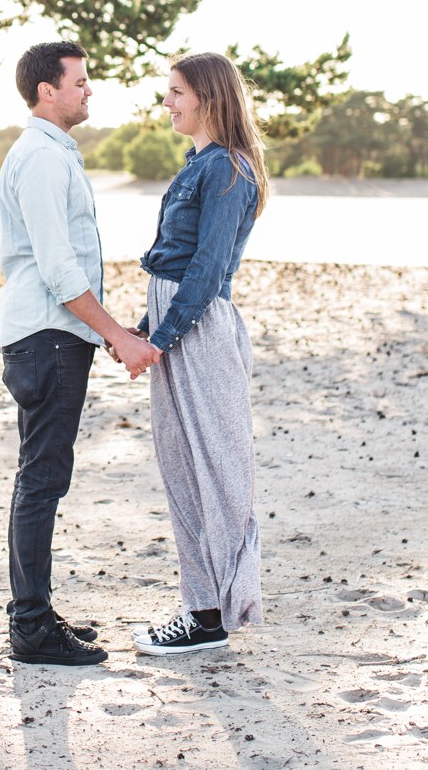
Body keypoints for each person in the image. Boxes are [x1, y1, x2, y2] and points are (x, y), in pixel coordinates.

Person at [0, 40, 164, 666]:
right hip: (48, 336)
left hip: (50, 335)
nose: (89, 91)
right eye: (80, 82)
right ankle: (32, 628)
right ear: (47, 90)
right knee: (41, 480)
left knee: (39, 477)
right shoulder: (41, 157)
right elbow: (59, 269)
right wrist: (117, 334)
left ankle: (34, 612)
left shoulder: (52, 153)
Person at [128, 51, 269, 656]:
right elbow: (174, 263)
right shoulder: (201, 165)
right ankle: (200, 607)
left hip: (199, 332)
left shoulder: (229, 170)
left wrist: (157, 339)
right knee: (182, 466)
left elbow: (208, 270)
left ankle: (216, 614)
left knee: (217, 468)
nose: (168, 102)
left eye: (177, 91)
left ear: (210, 96)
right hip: (176, 324)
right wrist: (140, 328)